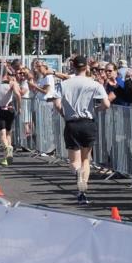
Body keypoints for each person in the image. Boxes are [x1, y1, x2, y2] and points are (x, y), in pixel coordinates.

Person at [52, 55, 110, 206]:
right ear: (87, 67)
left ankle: (77, 174)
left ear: (73, 67)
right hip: (88, 122)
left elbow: (57, 104)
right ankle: (82, 192)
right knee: (86, 159)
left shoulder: (64, 84)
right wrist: (97, 109)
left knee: (74, 160)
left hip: (72, 122)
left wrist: (64, 114)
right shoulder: (94, 84)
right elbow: (106, 103)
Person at [0, 68, 21, 165]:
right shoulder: (12, 83)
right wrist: (19, 107)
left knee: (2, 134)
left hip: (0, 109)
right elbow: (18, 95)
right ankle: (7, 157)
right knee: (8, 133)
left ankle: (7, 150)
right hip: (10, 109)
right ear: (7, 73)